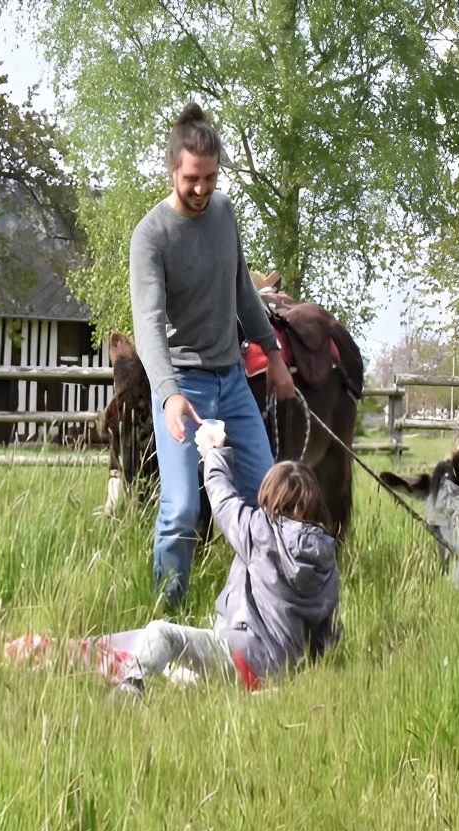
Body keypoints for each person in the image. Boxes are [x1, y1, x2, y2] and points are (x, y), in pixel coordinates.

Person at [129, 101, 296, 605]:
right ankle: (166, 610)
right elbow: (148, 325)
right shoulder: (151, 237)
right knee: (182, 509)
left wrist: (274, 355)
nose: (201, 189)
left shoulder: (224, 213)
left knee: (267, 496)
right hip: (185, 386)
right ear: (172, 170)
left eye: (210, 178)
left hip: (233, 381)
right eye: (191, 179)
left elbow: (243, 290)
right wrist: (169, 395)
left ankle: (265, 606)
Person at [125, 426, 341, 691]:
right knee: (184, 675)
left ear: (270, 496)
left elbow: (223, 498)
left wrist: (213, 452)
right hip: (284, 671)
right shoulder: (326, 556)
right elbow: (325, 630)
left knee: (161, 632)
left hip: (241, 658)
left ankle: (131, 688)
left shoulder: (259, 531)